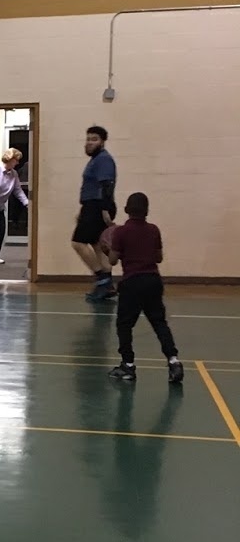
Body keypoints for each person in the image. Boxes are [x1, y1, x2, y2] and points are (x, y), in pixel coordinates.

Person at [106, 192, 182, 383]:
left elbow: (112, 261)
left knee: (124, 325)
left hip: (132, 283)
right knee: (159, 323)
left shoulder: (121, 232)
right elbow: (159, 258)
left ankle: (128, 366)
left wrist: (107, 248)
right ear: (147, 211)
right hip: (153, 281)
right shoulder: (153, 230)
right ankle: (174, 362)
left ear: (126, 210)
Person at [72, 126, 118, 301]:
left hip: (98, 206)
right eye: (88, 139)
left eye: (94, 139)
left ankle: (102, 280)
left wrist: (105, 210)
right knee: (98, 246)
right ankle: (108, 285)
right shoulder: (96, 159)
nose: (89, 142)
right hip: (92, 206)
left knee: (78, 243)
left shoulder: (103, 159)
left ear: (102, 142)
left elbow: (107, 184)